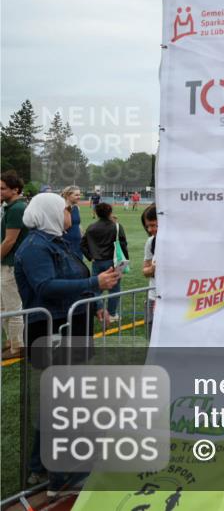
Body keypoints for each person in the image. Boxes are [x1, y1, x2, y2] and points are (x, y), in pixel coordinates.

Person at [15, 193, 120, 494]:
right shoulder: (35, 247)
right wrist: (94, 284)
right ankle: (63, 477)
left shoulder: (55, 241)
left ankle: (40, 467)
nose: (69, 216)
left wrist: (94, 303)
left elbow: (73, 277)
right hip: (52, 330)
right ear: (49, 212)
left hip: (70, 325)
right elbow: (46, 287)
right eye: (65, 210)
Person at [82, 203, 128, 325]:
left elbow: (82, 244)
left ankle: (98, 309)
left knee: (96, 288)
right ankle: (111, 314)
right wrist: (123, 264)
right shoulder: (116, 226)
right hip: (112, 262)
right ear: (110, 212)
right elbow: (123, 245)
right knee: (115, 289)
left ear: (96, 213)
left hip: (97, 262)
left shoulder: (91, 227)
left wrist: (90, 256)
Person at [1, 171, 27, 360]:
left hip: (11, 265)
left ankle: (18, 347)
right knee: (3, 306)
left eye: (2, 188)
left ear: (15, 190)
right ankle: (11, 341)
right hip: (6, 263)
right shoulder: (11, 207)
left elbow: (9, 241)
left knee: (13, 308)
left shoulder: (17, 208)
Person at [141, 204, 157, 333]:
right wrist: (153, 268)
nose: (150, 229)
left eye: (153, 225)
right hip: (153, 297)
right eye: (147, 226)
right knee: (152, 335)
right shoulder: (151, 242)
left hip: (175, 299)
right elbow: (145, 271)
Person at [61, 185, 84, 259]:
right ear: (68, 196)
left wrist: (82, 237)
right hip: (66, 241)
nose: (79, 197)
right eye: (76, 195)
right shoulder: (61, 207)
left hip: (78, 241)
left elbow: (78, 224)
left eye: (79, 195)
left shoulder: (76, 207)